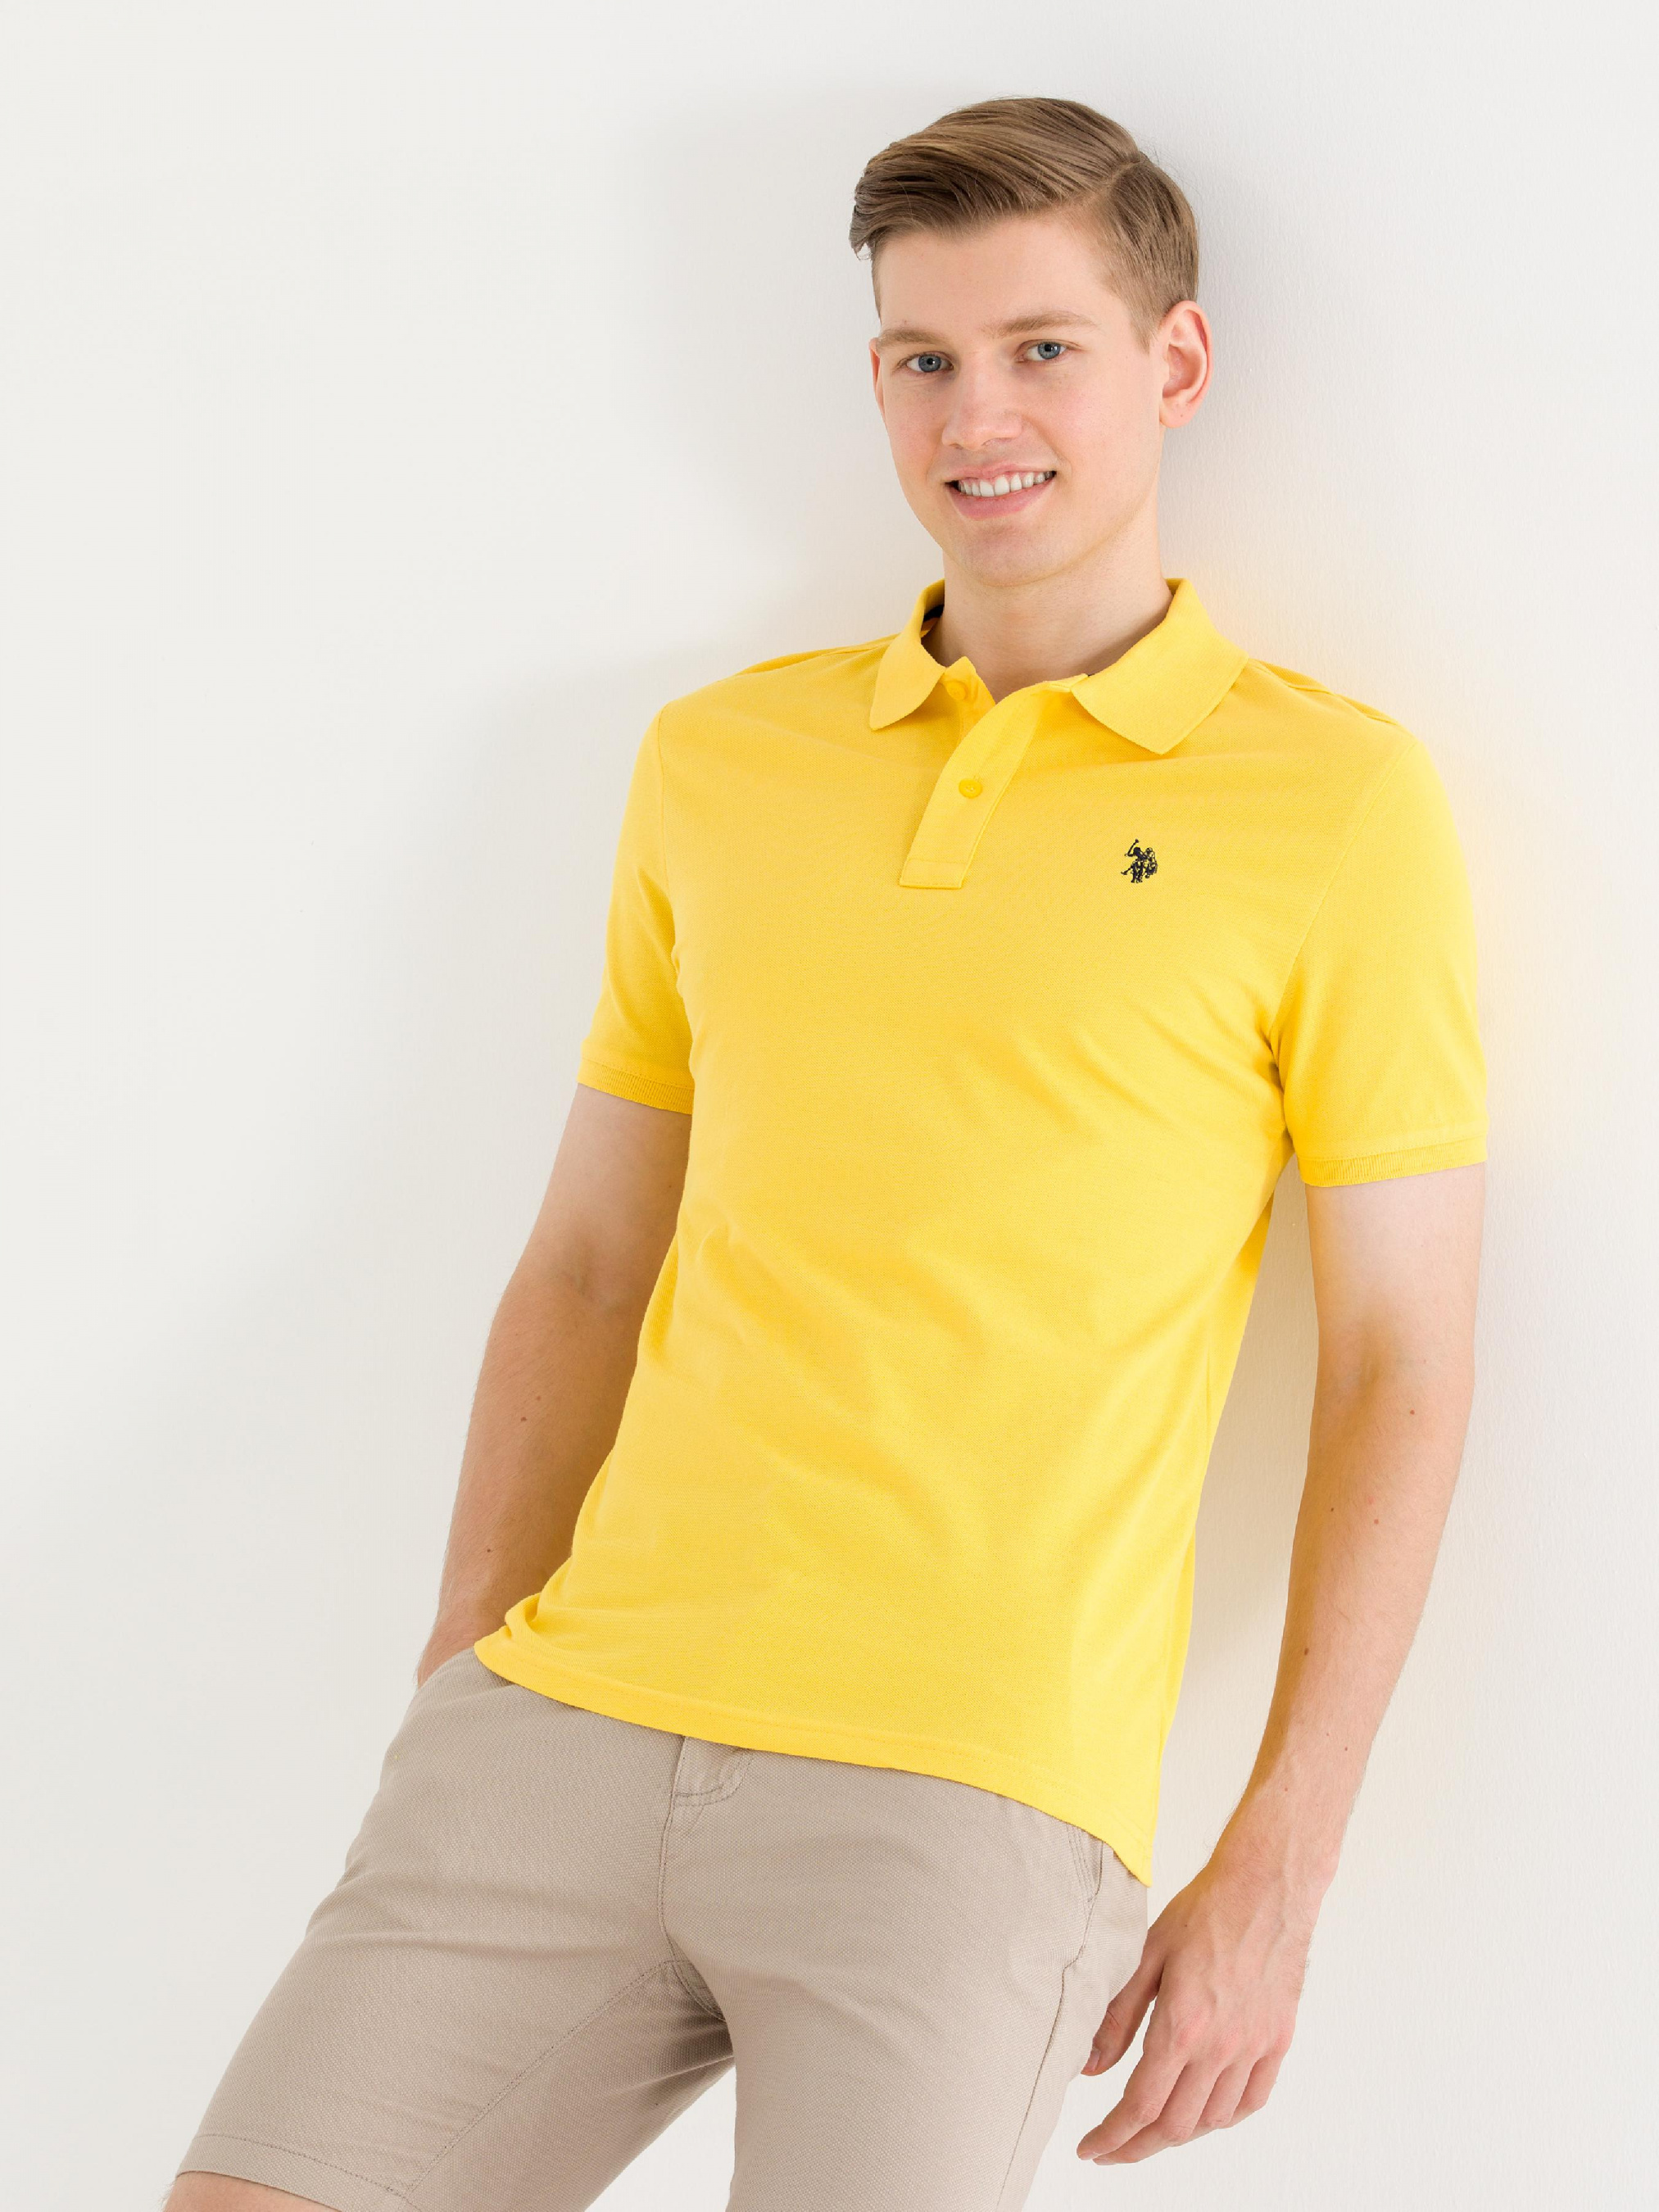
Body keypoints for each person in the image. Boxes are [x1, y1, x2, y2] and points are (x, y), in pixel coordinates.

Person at [167, 94, 1487, 2212]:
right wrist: (463, 1671)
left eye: (1042, 348)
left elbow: (1400, 1353)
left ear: (1174, 362)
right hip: (570, 1723)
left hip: (964, 1792)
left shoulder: (1333, 805)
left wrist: (1280, 1863)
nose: (979, 415)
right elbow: (590, 1257)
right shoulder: (721, 758)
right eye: (921, 356)